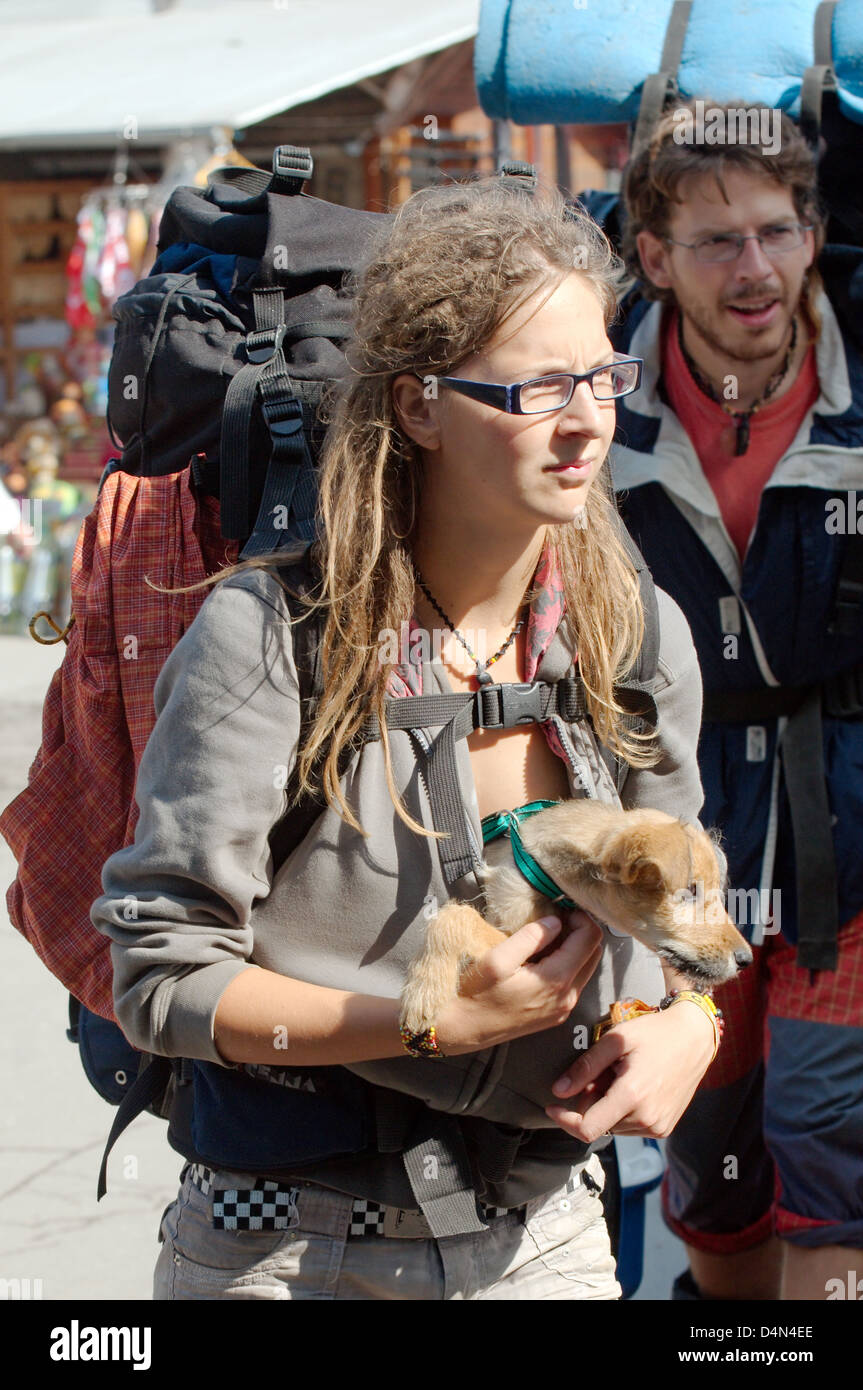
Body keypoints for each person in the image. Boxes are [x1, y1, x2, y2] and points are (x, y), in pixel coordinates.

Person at [91, 175, 720, 1302]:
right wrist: (426, 1022)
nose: (585, 420)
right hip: (286, 1243)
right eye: (535, 386)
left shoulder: (630, 632)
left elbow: (680, 918)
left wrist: (691, 1024)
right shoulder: (272, 633)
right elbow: (159, 975)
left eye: (600, 375)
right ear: (419, 405)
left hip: (546, 1238)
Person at [606, 100, 863, 1300]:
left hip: (852, 846)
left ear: (812, 233)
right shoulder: (588, 406)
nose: (752, 269)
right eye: (713, 242)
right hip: (679, 846)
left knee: (832, 1171)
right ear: (650, 256)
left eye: (774, 230)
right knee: (710, 1194)